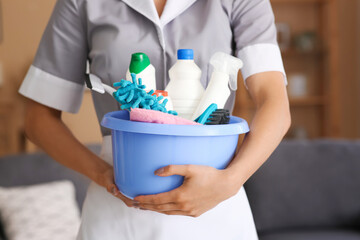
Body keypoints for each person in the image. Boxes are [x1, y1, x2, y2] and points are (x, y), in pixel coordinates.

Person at [19, 0, 291, 239]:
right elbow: (38, 118)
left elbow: (274, 102)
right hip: (119, 206)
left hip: (214, 199)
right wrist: (105, 176)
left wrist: (230, 181)